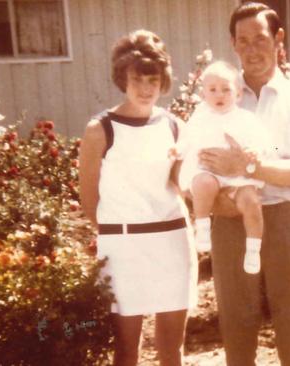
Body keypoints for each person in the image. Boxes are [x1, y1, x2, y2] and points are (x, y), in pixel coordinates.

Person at [198, 2, 290, 365]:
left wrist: (251, 167)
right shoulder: (217, 98)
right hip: (230, 222)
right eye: (243, 41)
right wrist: (222, 202)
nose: (252, 49)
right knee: (237, 334)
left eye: (260, 39)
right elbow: (198, 164)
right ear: (233, 45)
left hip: (286, 221)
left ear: (279, 39)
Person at [79, 30, 196, 366]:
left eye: (153, 80)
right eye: (137, 79)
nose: (146, 88)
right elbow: (89, 198)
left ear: (163, 81)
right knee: (127, 350)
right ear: (122, 78)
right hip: (124, 249)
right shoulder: (100, 129)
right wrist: (117, 234)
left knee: (172, 350)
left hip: (173, 242)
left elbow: (183, 184)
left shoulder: (175, 126)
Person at [178, 60, 269, 274]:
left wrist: (256, 150)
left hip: (240, 178)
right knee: (202, 183)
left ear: (238, 94)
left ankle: (253, 248)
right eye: (213, 90)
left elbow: (264, 141)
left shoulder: (246, 119)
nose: (219, 95)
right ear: (204, 94)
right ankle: (202, 227)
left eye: (226, 90)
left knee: (252, 203)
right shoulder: (199, 119)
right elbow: (186, 140)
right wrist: (177, 150)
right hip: (210, 172)